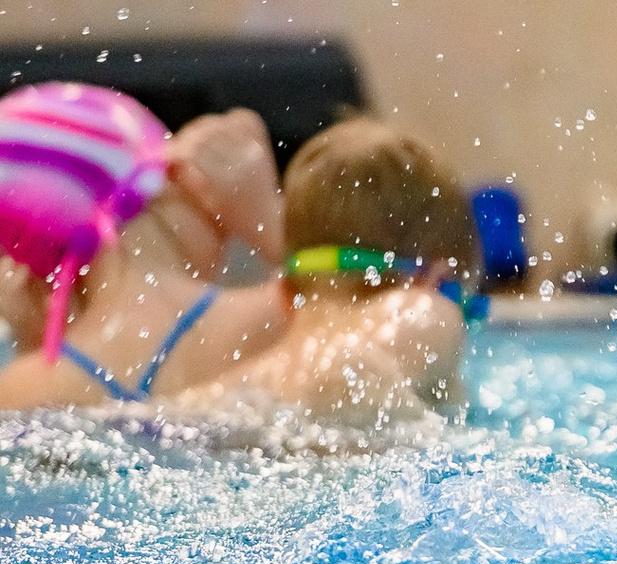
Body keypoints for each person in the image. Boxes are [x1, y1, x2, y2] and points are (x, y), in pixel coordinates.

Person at [0, 82, 290, 410]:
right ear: (168, 181)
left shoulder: (21, 390)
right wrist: (271, 224)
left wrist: (33, 345)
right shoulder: (275, 316)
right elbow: (339, 316)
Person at [177, 117, 476, 427]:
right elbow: (344, 375)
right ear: (438, 280)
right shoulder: (425, 307)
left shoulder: (240, 385)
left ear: (285, 292)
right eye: (469, 309)